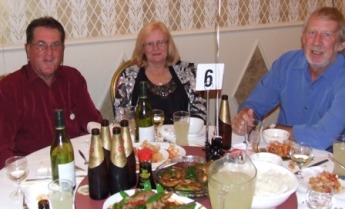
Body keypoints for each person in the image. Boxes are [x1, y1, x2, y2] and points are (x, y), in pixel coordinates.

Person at [231, 7, 345, 150]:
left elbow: (321, 137)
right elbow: (254, 105)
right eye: (312, 33)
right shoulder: (286, 64)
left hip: (329, 166)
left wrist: (277, 129)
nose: (317, 42)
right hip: (283, 157)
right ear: (303, 38)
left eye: (326, 35)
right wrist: (245, 118)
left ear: (341, 45)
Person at [0, 17, 102, 168]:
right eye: (41, 45)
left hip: (78, 165)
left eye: (56, 45)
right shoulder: (9, 88)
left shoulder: (73, 78)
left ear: (63, 50)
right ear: (28, 49)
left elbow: (93, 123)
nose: (49, 53)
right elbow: (3, 149)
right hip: (33, 173)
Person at [114, 21, 206, 124]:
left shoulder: (188, 73)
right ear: (143, 48)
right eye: (150, 44)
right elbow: (120, 116)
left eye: (160, 42)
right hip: (143, 138)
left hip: (182, 136)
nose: (155, 48)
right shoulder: (128, 76)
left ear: (168, 45)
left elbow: (200, 112)